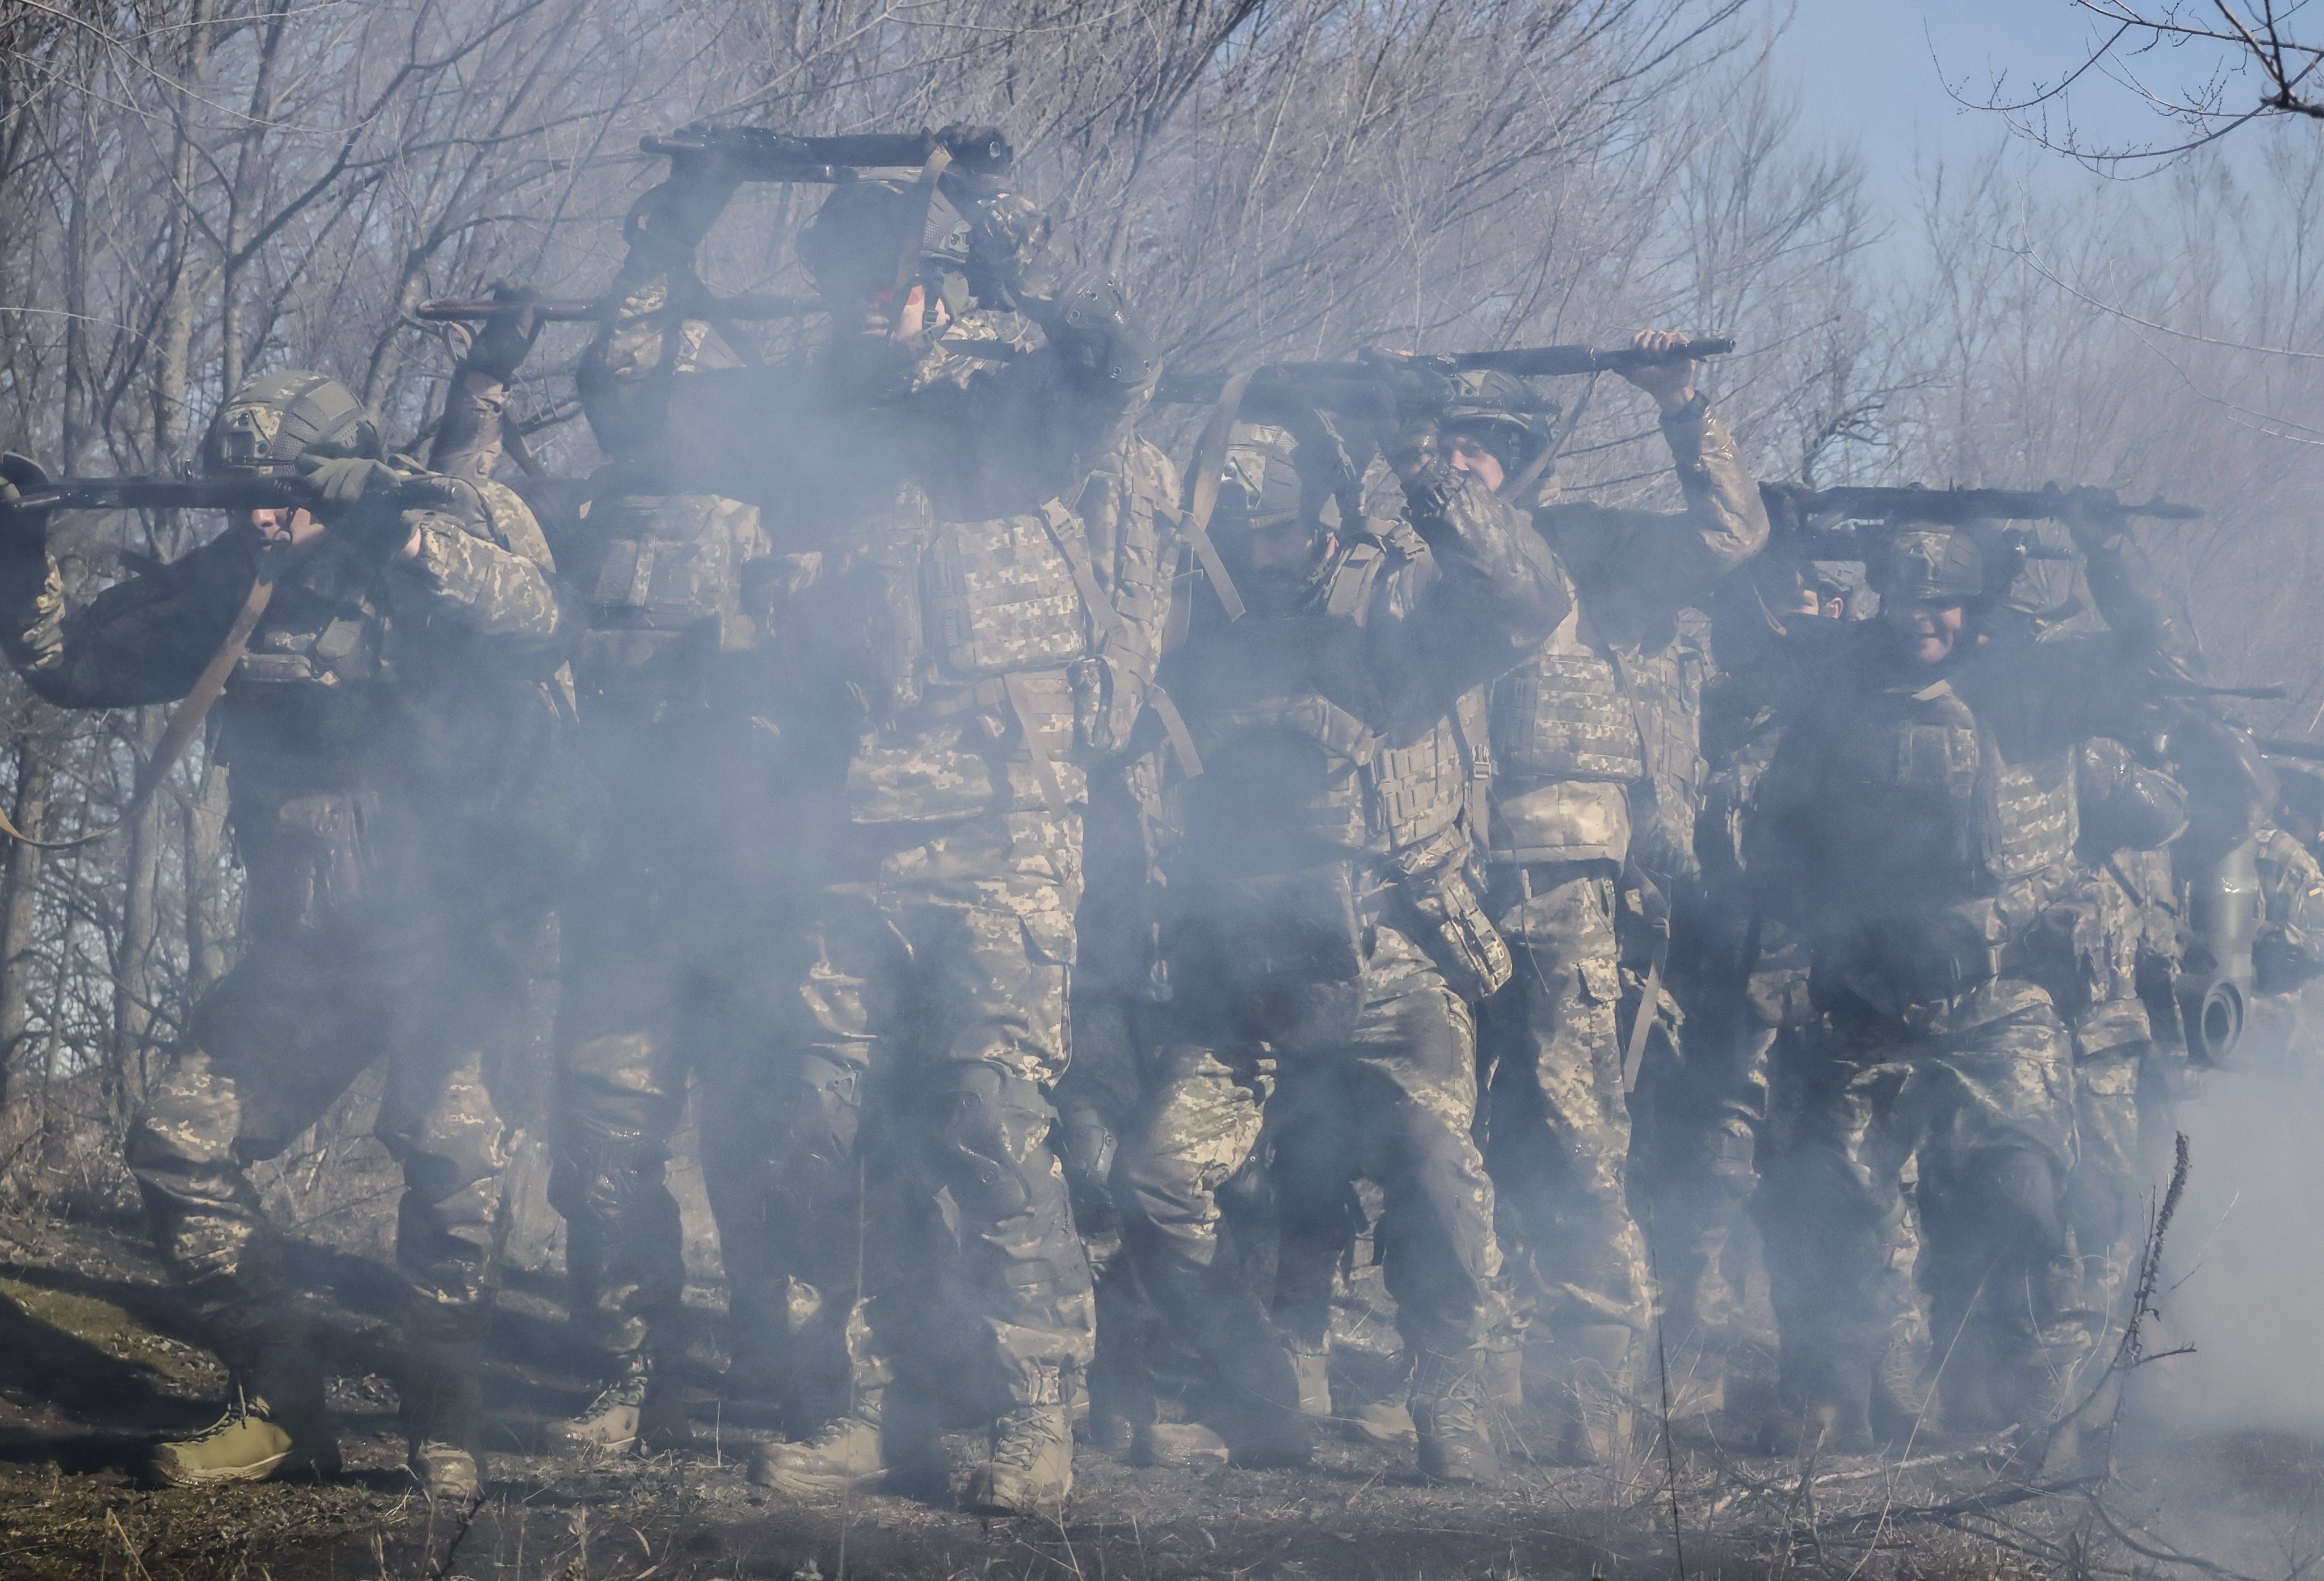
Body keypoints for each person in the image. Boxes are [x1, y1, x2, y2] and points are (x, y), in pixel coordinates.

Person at [0, 369, 572, 1496]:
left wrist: (395, 530)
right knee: (178, 1144)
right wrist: (22, 560)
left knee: (453, 1170)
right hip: (309, 954)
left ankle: (445, 1424)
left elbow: (541, 619)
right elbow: (73, 664)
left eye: (282, 494)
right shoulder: (234, 583)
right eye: (241, 498)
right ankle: (279, 1401)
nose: (260, 517)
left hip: (455, 940)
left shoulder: (445, 529)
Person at [736, 170, 1180, 1516]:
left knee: (990, 1121)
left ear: (937, 299)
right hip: (835, 839)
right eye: (857, 281)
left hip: (1000, 839)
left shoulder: (1016, 423)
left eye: (905, 280)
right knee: (817, 1124)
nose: (880, 302)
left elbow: (1120, 362)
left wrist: (1017, 251)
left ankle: (1027, 1410)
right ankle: (843, 1404)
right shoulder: (799, 433)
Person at [1110, 406, 1563, 1485]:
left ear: (1330, 526)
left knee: (1435, 1168)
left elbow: (1531, 600)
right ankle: (1257, 1397)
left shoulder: (1403, 612)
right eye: (1249, 535)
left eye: (1290, 533)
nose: (1271, 556)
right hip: (1247, 961)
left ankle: (1454, 1394)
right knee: (1157, 1177)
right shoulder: (1198, 624)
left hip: (1394, 948)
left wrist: (1421, 468)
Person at [1745, 514, 2251, 1451]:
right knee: (1834, 1199)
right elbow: (1778, 829)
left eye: (1942, 599)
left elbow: (2158, 660)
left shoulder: (2036, 695)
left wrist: (2109, 548)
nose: (1921, 617)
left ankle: (2024, 1405)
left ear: (1972, 608)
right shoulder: (1838, 699)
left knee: (2025, 1201)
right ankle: (1836, 1399)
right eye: (1906, 595)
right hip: (1865, 995)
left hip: (2000, 1004)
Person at [1450, 335, 1769, 1462]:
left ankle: (1597, 1400)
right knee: (1447, 1143)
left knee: (1574, 1129)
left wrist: (1679, 408)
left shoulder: (1591, 547)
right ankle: (1471, 1389)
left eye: (1483, 446)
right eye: (1446, 442)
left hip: (1563, 885)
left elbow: (1730, 534)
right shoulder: (1408, 550)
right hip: (1428, 878)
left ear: (1523, 458)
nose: (1461, 461)